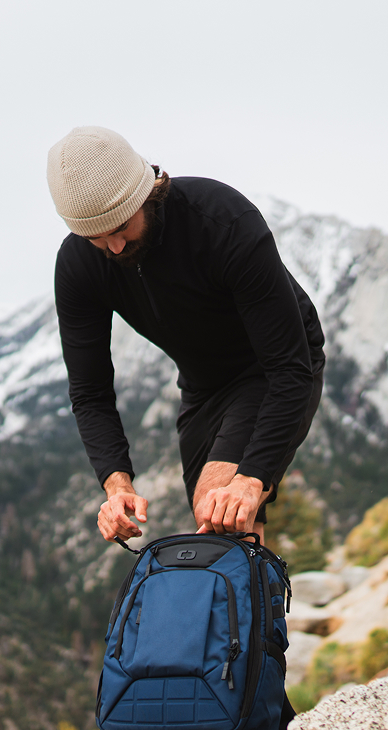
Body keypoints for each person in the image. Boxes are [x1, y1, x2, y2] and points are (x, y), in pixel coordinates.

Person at [47, 126, 325, 545]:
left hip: (273, 364)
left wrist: (252, 479)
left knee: (221, 508)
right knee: (216, 520)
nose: (115, 247)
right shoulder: (78, 266)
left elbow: (290, 368)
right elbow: (90, 393)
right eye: (97, 239)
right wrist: (116, 485)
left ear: (145, 193)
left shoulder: (222, 220)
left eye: (121, 227)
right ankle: (257, 590)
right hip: (202, 385)